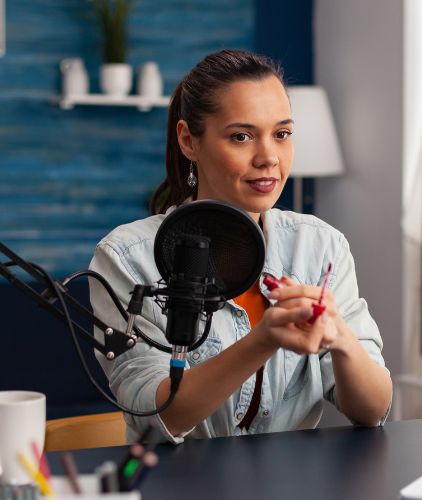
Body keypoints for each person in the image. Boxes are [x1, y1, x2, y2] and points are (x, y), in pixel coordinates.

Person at [88, 49, 393, 444]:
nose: (268, 158)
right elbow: (155, 418)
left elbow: (373, 411)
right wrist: (263, 341)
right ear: (188, 141)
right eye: (241, 136)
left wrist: (341, 338)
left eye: (282, 134)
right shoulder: (128, 258)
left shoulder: (319, 246)